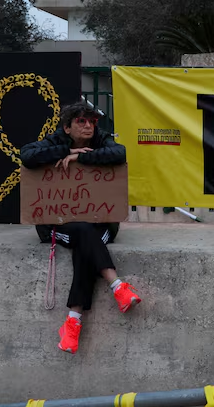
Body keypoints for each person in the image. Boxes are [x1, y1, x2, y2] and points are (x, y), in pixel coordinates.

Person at [20, 102, 141, 354]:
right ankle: (117, 285)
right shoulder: (55, 141)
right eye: (81, 122)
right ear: (67, 127)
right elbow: (27, 155)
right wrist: (63, 151)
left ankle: (72, 322)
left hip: (101, 222)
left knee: (85, 243)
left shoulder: (101, 139)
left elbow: (119, 153)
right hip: (59, 225)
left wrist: (81, 157)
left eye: (92, 122)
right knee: (85, 234)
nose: (89, 126)